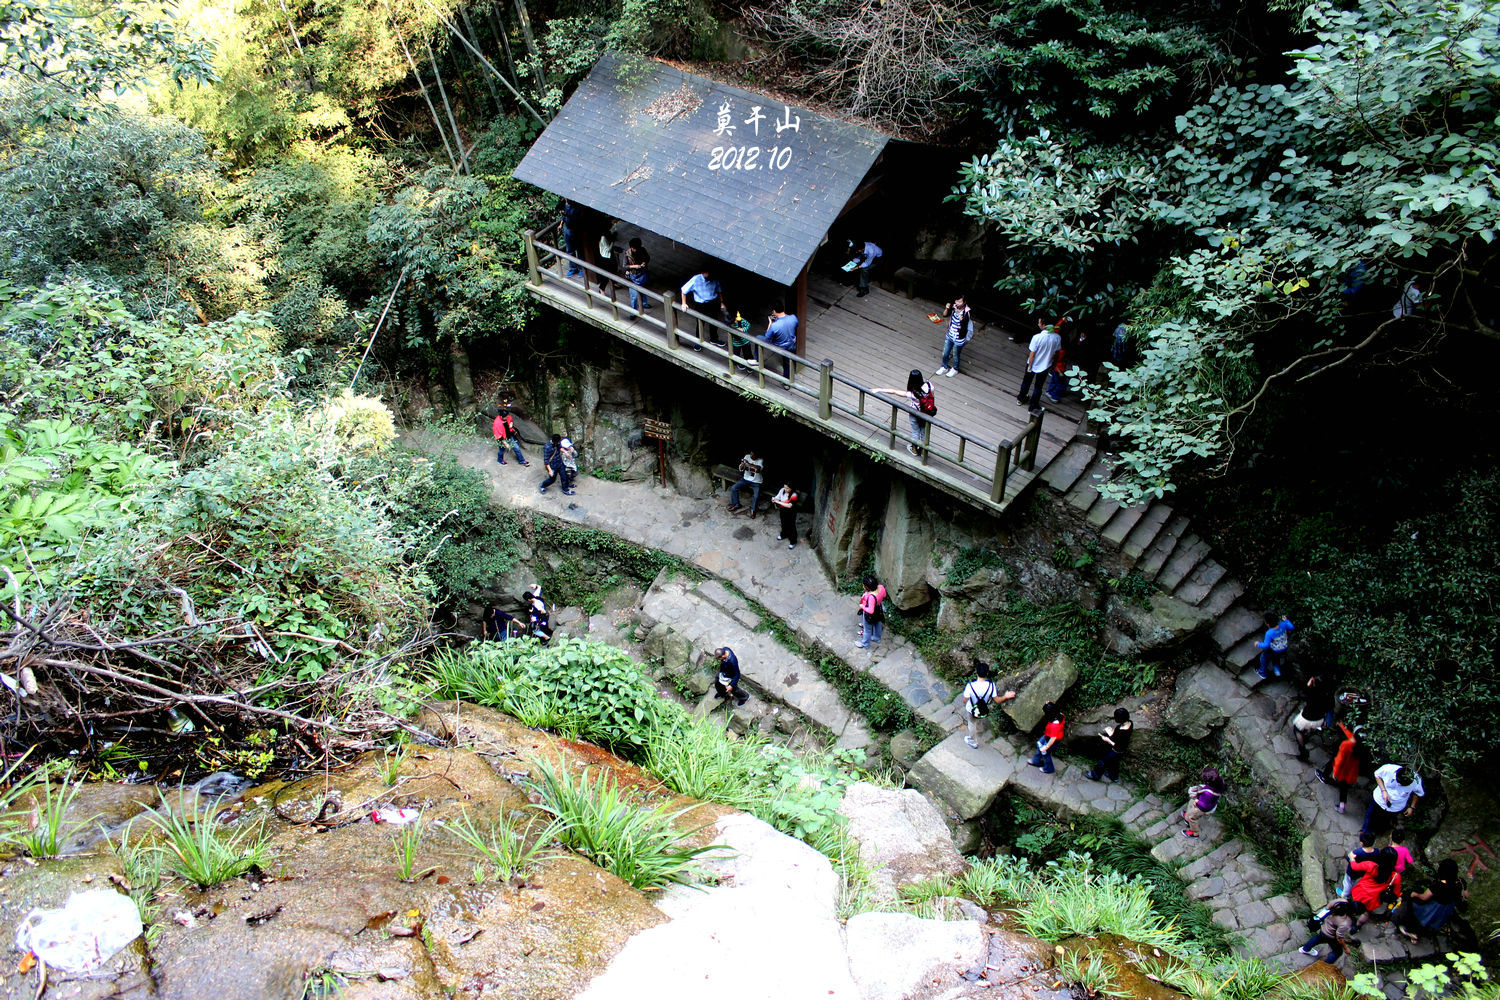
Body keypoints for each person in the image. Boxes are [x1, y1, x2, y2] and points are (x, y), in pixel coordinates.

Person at [1394, 858, 1466, 942]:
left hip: (1433, 908)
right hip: (1446, 909)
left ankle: (1411, 930)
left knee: (1411, 900)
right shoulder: (1460, 882)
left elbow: (1424, 897)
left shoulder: (1439, 885)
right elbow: (1465, 895)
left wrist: (1414, 894)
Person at [873, 369, 935, 456]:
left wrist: (880, 389)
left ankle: (915, 449)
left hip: (915, 413)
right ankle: (924, 451)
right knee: (924, 432)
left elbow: (894, 392)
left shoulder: (912, 394)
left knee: (915, 432)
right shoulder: (929, 385)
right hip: (927, 413)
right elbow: (932, 398)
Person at [961, 663, 1016, 749]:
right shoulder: (991, 686)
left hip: (971, 709)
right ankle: (978, 723)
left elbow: (965, 699)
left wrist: (965, 702)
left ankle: (972, 741)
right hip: (983, 709)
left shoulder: (970, 686)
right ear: (987, 673)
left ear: (977, 673)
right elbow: (997, 700)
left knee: (972, 724)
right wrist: (1006, 696)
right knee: (976, 719)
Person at [1363, 763, 1424, 837]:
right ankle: (1365, 833)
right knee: (1370, 816)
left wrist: (1412, 807)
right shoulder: (1388, 769)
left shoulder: (1416, 780)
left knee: (1385, 821)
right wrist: (1383, 791)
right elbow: (1377, 775)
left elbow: (1418, 793)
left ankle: (1378, 834)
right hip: (1379, 800)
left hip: (1395, 808)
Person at [1347, 847, 1401, 927]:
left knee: (1352, 905)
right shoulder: (1395, 876)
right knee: (1366, 913)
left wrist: (1352, 858)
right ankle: (1357, 926)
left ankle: (1347, 918)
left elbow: (1355, 866)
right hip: (1373, 899)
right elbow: (1396, 893)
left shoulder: (1371, 866)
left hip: (1360, 892)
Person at [1316, 722, 1363, 813]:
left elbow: (1339, 760)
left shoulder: (1347, 745)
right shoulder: (1361, 746)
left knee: (1333, 761)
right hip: (1351, 770)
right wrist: (1342, 725)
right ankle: (1342, 806)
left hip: (1343, 768)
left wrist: (1335, 773)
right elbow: (1350, 735)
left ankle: (1324, 777)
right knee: (1344, 786)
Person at [1017, 319, 1062, 412]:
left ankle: (1021, 398)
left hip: (1032, 364)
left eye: (1039, 322)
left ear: (1044, 325)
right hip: (1045, 365)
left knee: (1026, 382)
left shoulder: (1037, 337)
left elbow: (1032, 354)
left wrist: (1030, 366)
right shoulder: (1057, 338)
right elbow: (1056, 353)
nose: (1038, 324)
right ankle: (1032, 406)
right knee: (1038, 386)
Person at [1299, 899, 1360, 964]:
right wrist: (1346, 948)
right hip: (1330, 935)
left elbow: (1328, 907)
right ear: (1354, 913)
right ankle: (1325, 966)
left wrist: (1320, 917)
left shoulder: (1340, 902)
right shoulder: (1346, 922)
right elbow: (1339, 937)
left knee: (1318, 938)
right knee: (1337, 952)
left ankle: (1305, 949)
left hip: (1324, 926)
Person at [681, 268, 729, 350]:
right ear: (703, 273)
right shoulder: (696, 279)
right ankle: (698, 341)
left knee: (714, 322)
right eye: (708, 273)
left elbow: (719, 290)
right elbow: (684, 290)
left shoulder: (714, 278)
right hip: (700, 304)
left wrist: (722, 302)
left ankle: (714, 339)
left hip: (712, 302)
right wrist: (684, 303)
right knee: (700, 323)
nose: (710, 275)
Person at [1292, 673, 1334, 760]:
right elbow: (1330, 707)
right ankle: (1307, 736)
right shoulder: (1329, 696)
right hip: (1319, 720)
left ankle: (1303, 751)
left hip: (1306, 718)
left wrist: (1308, 685)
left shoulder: (1312, 692)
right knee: (1310, 728)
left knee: (1297, 729)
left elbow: (1301, 694)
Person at [1085, 707, 1133, 782]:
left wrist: (1108, 740)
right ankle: (1114, 777)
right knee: (1115, 764)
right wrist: (1112, 732)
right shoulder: (1130, 723)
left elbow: (1117, 745)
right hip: (1122, 750)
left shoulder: (1123, 732)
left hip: (1116, 751)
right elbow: (1120, 739)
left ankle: (1095, 775)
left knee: (1103, 761)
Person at [934, 296, 974, 378]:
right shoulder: (954, 306)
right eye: (956, 301)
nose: (957, 303)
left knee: (956, 354)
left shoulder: (967, 311)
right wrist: (947, 308)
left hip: (959, 337)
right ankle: (944, 366)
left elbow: (964, 322)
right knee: (945, 353)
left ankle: (955, 369)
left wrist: (957, 312)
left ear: (964, 302)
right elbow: (945, 315)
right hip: (950, 334)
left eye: (960, 302)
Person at [1181, 766, 1225, 838]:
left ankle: (1194, 833)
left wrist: (1197, 801)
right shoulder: (1220, 781)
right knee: (1191, 803)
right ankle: (1187, 817)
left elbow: (1204, 806)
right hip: (1209, 801)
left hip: (1201, 807)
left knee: (1192, 817)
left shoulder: (1207, 794)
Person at [1028, 702, 1065, 774]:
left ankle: (1049, 768)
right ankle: (1036, 760)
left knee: (1045, 753)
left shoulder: (1054, 726)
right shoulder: (1060, 715)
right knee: (1039, 743)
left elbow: (1053, 738)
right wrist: (1049, 704)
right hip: (1048, 735)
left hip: (1052, 740)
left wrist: (1046, 746)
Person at [1339, 832, 1380, 896]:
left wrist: (1350, 856)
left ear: (1362, 843)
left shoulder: (1357, 852)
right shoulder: (1377, 851)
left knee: (1347, 882)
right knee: (1354, 881)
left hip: (1352, 871)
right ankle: (1352, 889)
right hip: (1363, 872)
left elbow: (1348, 858)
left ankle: (1345, 894)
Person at [1255, 613, 1295, 679]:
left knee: (1263, 657)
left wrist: (1258, 644)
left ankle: (1262, 673)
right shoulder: (1283, 624)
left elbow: (1266, 645)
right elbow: (1292, 627)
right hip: (1284, 647)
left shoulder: (1269, 633)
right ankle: (1277, 671)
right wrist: (1286, 620)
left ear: (1267, 624)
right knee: (1276, 659)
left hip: (1273, 650)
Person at [764, 304, 798, 378]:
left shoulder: (774, 325)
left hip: (779, 346)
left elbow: (767, 336)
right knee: (788, 362)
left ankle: (757, 360)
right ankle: (786, 380)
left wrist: (770, 323)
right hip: (792, 344)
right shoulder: (793, 318)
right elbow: (795, 325)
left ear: (774, 311)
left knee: (759, 338)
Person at [727, 451, 764, 517]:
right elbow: (741, 468)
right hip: (746, 479)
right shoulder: (747, 456)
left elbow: (758, 469)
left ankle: (753, 509)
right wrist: (742, 465)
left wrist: (749, 464)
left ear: (757, 456)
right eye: (751, 453)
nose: (751, 455)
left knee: (756, 495)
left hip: (756, 481)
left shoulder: (760, 460)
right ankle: (736, 504)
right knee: (734, 488)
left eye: (753, 454)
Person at [856, 576, 886, 648]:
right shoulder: (881, 587)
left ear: (867, 587)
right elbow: (884, 595)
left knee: (867, 630)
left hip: (870, 614)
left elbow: (871, 610)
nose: (863, 586)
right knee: (877, 623)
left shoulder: (871, 596)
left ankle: (865, 644)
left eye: (864, 585)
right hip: (878, 610)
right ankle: (876, 638)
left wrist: (862, 606)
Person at [623, 237, 650, 313]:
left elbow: (648, 258)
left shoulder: (642, 250)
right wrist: (635, 266)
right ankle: (633, 311)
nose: (637, 250)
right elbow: (625, 265)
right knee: (634, 295)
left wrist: (644, 262)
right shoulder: (627, 254)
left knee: (643, 289)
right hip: (633, 275)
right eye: (635, 248)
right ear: (632, 248)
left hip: (642, 273)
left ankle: (644, 303)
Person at [771, 484, 799, 549]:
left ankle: (793, 541)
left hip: (791, 512)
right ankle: (783, 534)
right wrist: (774, 499)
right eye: (785, 487)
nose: (785, 489)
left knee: (791, 526)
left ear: (791, 488)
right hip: (783, 510)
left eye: (787, 488)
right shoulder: (782, 490)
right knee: (783, 523)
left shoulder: (794, 495)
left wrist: (778, 502)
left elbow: (789, 505)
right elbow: (778, 497)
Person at [561, 199, 583, 278]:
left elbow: (576, 219)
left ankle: (581, 268)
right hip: (567, 229)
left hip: (575, 230)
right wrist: (561, 224)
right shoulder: (565, 205)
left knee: (579, 249)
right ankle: (573, 268)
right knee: (570, 250)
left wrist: (567, 215)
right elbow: (563, 217)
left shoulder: (576, 207)